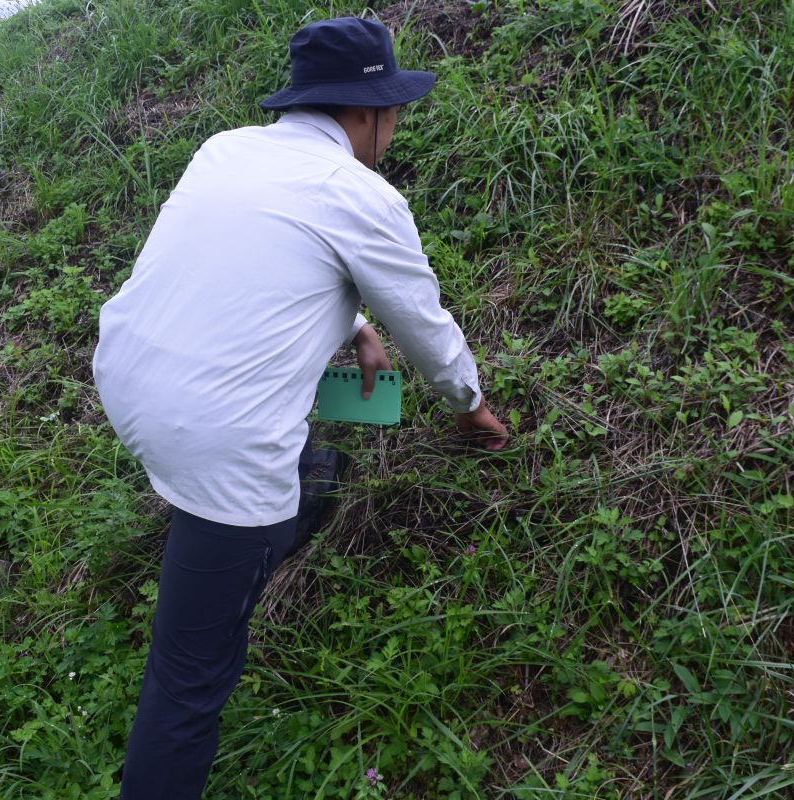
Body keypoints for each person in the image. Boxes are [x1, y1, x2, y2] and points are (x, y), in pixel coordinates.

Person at [92, 16, 508, 799]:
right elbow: (426, 325)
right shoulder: (359, 193)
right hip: (213, 434)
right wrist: (469, 407)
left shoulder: (226, 149)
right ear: (364, 112)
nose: (392, 129)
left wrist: (352, 325)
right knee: (187, 677)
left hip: (125, 377)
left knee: (308, 474)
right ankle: (223, 565)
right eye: (392, 111)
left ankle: (238, 528)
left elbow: (241, 260)